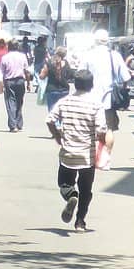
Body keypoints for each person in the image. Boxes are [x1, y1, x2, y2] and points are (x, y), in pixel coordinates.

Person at [48, 68, 111, 233]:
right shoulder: (96, 104)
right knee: (86, 190)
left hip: (68, 153)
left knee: (64, 183)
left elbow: (49, 120)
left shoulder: (65, 101)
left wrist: (57, 136)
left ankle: (70, 196)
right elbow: (101, 129)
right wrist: (104, 144)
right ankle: (80, 222)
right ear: (91, 85)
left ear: (75, 84)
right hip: (87, 156)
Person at [86, 28, 132, 132]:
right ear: (107, 41)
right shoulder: (115, 55)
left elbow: (80, 75)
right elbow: (126, 77)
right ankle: (106, 149)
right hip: (109, 100)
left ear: (95, 40)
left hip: (90, 99)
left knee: (91, 130)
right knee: (108, 129)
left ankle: (95, 147)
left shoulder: (88, 55)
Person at [39, 46, 73, 129]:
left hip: (51, 90)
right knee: (63, 109)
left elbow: (42, 76)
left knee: (52, 109)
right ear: (64, 55)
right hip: (64, 89)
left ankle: (56, 126)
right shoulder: (66, 63)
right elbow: (70, 75)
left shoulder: (49, 63)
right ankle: (61, 126)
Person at [1, 39, 31, 132]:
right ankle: (19, 123)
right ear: (18, 47)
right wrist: (28, 83)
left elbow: (2, 72)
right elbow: (27, 71)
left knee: (10, 102)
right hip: (20, 81)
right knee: (19, 102)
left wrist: (1, 84)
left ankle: (13, 125)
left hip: (9, 81)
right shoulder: (22, 56)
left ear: (8, 47)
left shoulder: (5, 57)